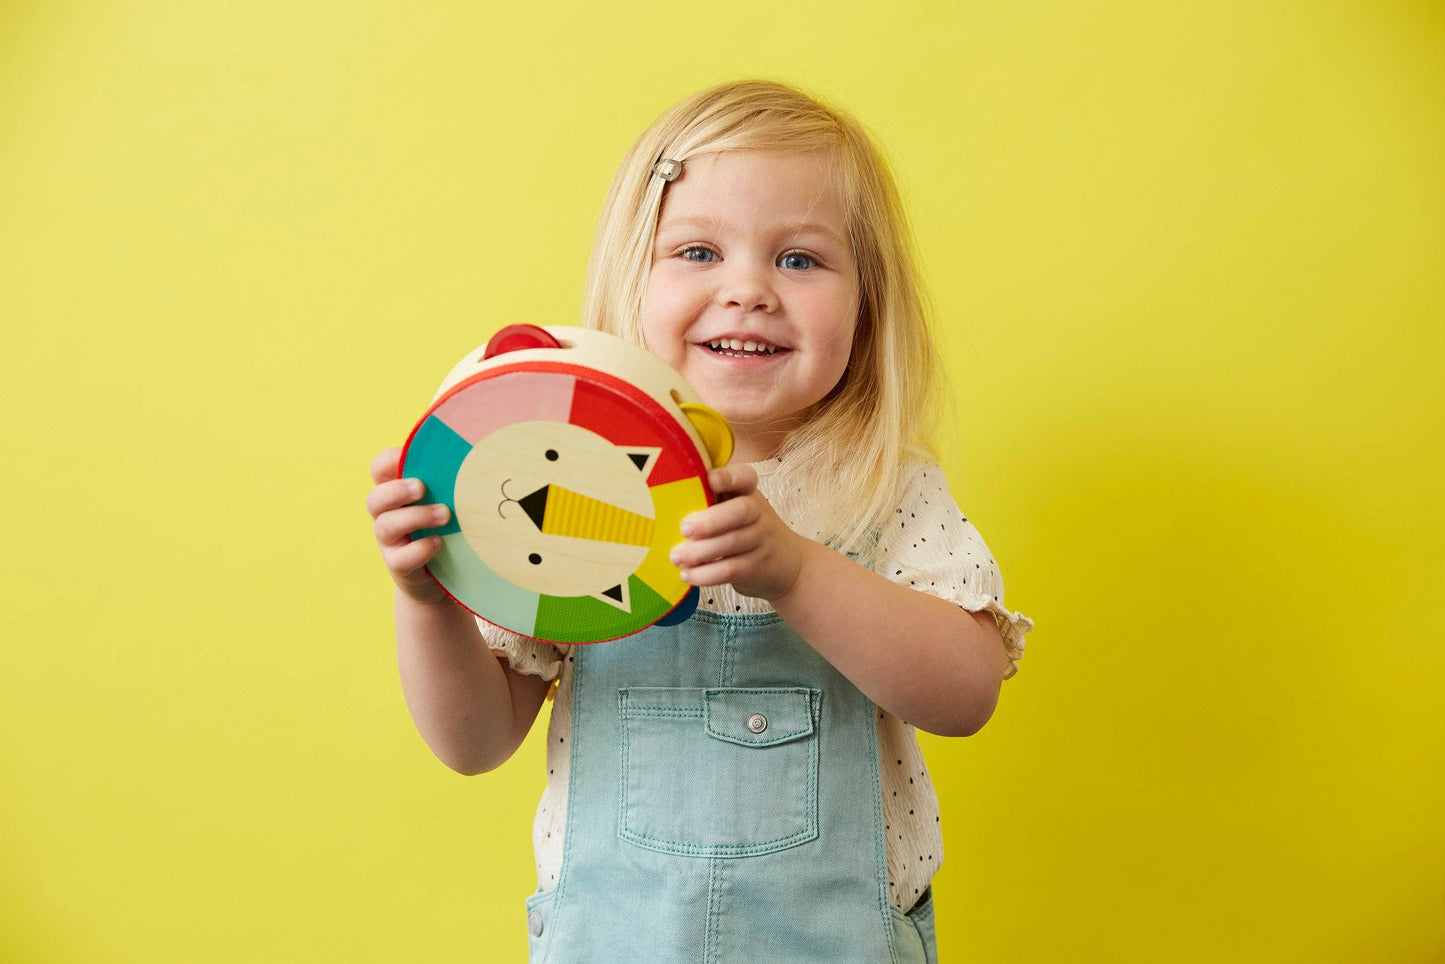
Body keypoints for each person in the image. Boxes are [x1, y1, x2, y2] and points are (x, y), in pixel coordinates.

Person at [365, 79, 1033, 963]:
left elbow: (965, 695)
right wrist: (428, 600)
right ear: (632, 278)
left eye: (799, 260)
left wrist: (796, 571)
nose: (747, 290)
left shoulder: (882, 488)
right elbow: (474, 742)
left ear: (867, 303)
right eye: (696, 251)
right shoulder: (564, 486)